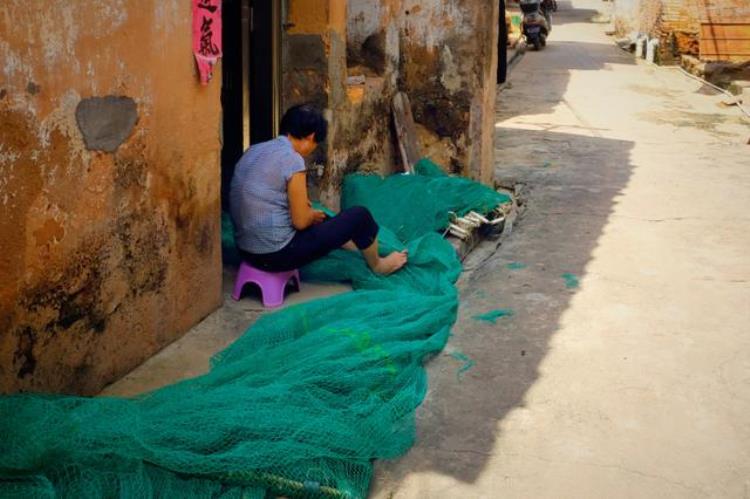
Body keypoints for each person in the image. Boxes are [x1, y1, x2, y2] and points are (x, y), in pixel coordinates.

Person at [229, 104, 408, 275]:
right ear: (311, 137)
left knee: (322, 218)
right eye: (316, 143)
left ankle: (354, 243)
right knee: (360, 216)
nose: (314, 148)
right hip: (276, 255)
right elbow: (300, 222)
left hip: (245, 250)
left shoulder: (253, 150)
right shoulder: (292, 159)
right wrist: (310, 216)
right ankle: (378, 265)